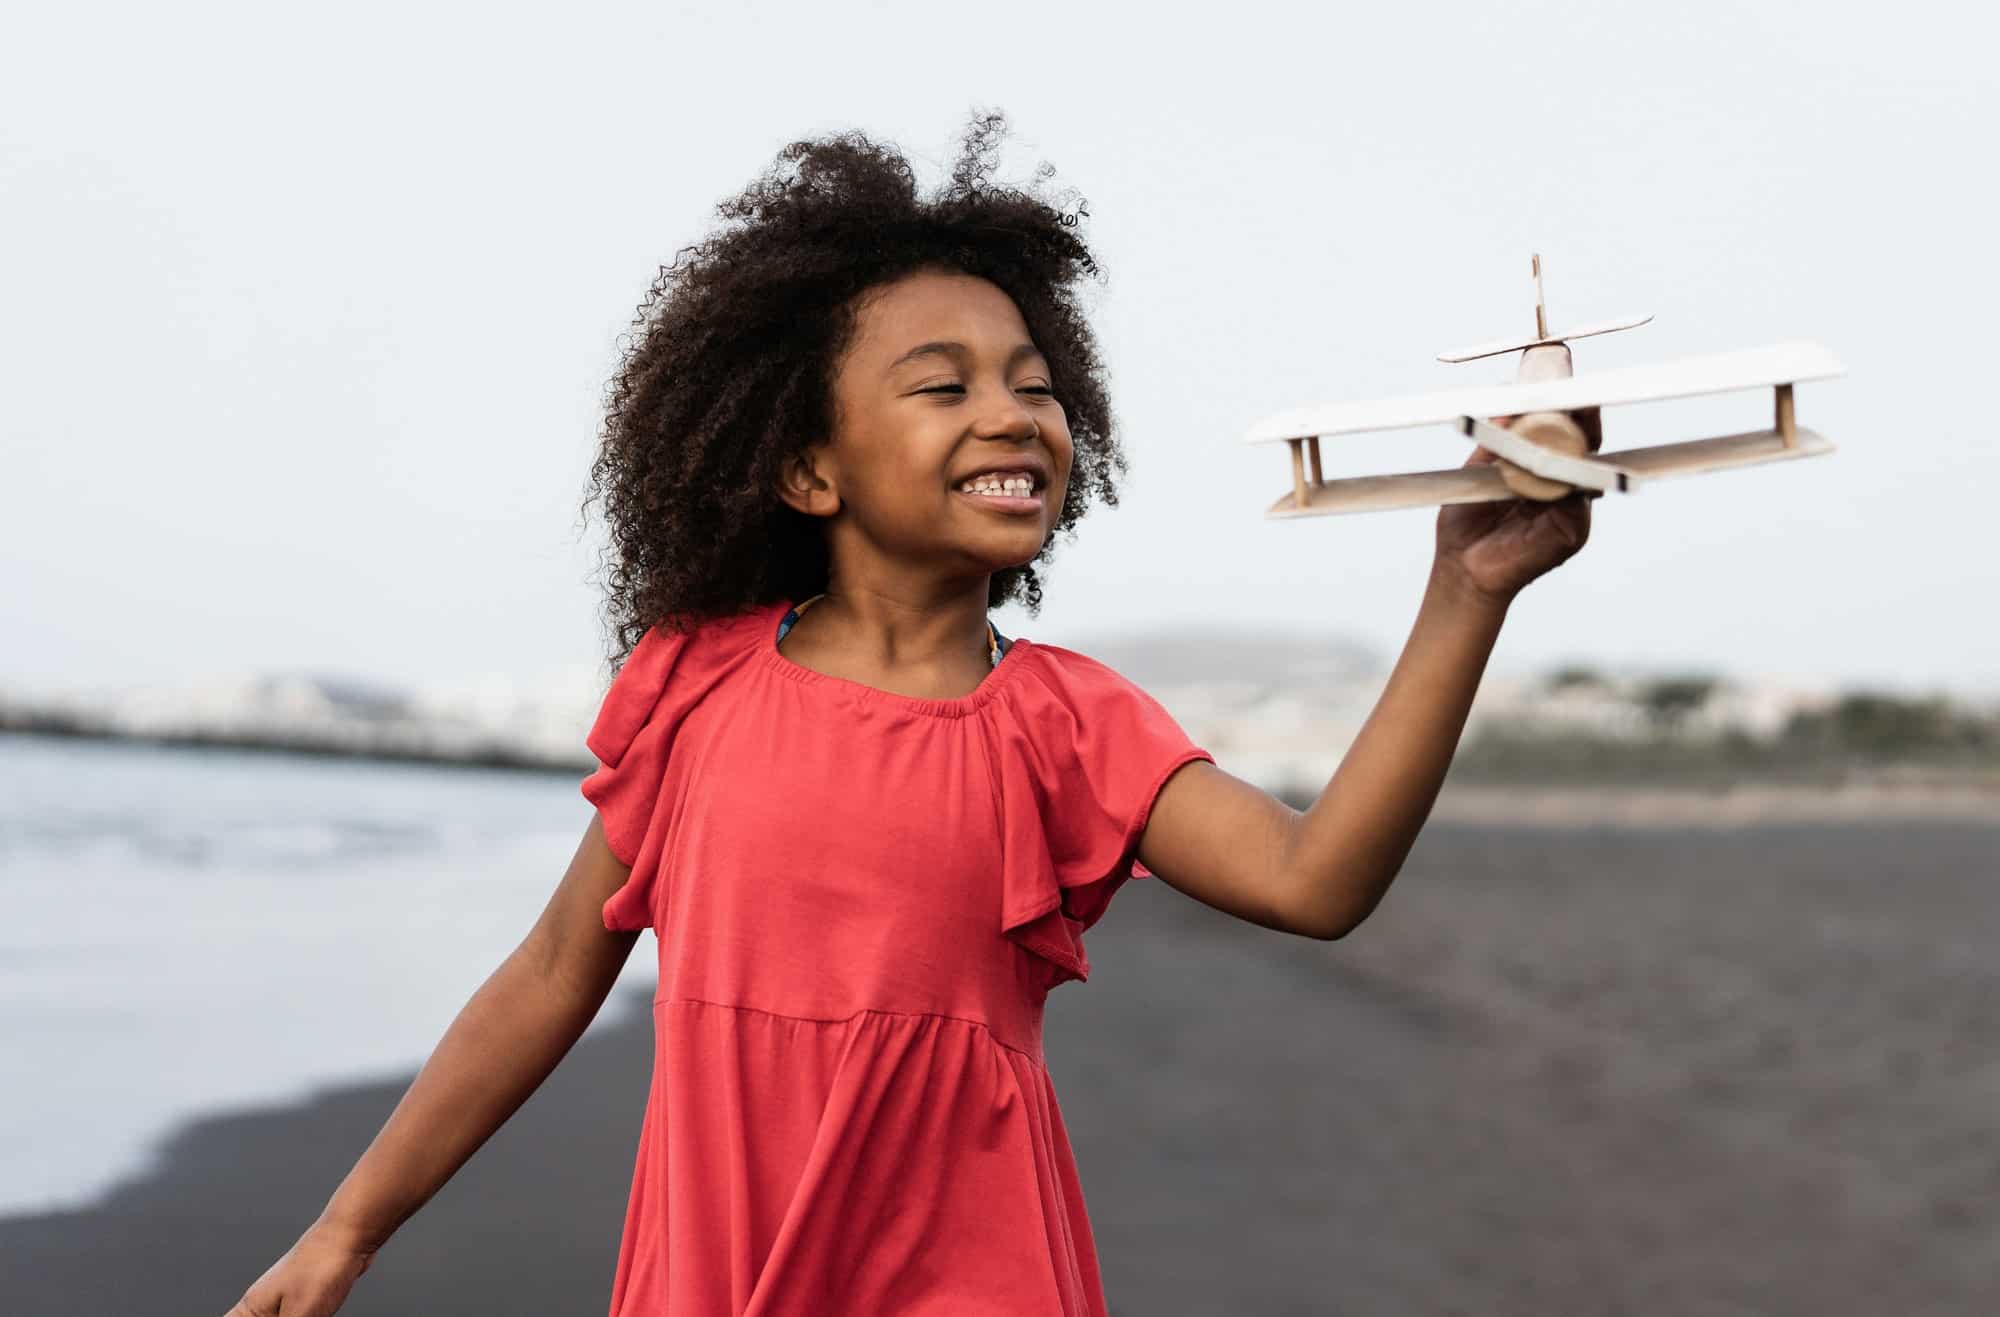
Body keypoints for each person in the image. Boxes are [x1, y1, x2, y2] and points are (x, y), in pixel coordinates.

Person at [223, 111, 1592, 1317]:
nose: (1013, 413)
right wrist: (349, 1226)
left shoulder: (1063, 720)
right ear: (809, 467)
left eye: (1036, 385)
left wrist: (1464, 592)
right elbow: (547, 976)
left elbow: (1315, 878)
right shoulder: (696, 681)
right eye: (944, 386)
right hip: (718, 1272)